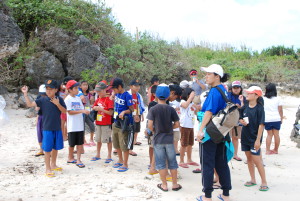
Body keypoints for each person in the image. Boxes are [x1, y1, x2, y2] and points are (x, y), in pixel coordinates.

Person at [196, 64, 231, 201]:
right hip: (222, 132)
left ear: (217, 76)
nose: (206, 76)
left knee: (207, 163)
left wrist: (200, 130)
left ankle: (207, 196)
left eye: (209, 74)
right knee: (221, 163)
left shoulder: (214, 91)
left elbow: (209, 112)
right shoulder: (223, 89)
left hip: (210, 131)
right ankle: (226, 194)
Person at [21, 79, 66, 177]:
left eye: (51, 89)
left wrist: (57, 104)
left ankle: (53, 164)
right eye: (47, 89)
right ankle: (48, 168)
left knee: (55, 147)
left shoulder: (59, 99)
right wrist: (25, 94)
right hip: (47, 128)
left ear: (56, 90)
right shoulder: (42, 100)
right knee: (47, 149)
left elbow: (64, 111)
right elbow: (30, 104)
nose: (48, 91)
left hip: (57, 127)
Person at [147, 84, 182, 192]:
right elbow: (177, 124)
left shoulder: (153, 109)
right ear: (168, 96)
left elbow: (149, 125)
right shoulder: (171, 109)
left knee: (161, 163)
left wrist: (155, 130)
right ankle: (175, 184)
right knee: (172, 162)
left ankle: (164, 185)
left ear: (156, 96)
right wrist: (170, 128)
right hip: (169, 139)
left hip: (158, 139)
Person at [239, 86, 269, 192]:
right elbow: (240, 115)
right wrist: (241, 121)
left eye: (250, 93)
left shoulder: (259, 108)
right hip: (245, 137)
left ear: (256, 95)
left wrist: (258, 140)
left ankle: (264, 181)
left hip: (254, 138)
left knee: (257, 160)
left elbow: (261, 125)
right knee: (249, 159)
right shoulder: (245, 106)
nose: (247, 94)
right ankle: (253, 179)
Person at [110, 78, 134, 172]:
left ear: (120, 87)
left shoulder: (127, 96)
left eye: (114, 88)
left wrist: (124, 111)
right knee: (116, 143)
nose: (113, 90)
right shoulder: (116, 94)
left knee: (124, 143)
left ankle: (125, 163)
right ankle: (120, 160)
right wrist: (113, 95)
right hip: (116, 121)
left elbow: (131, 109)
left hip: (125, 123)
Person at [65, 80, 90, 168]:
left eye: (77, 88)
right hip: (72, 125)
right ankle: (70, 157)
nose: (77, 90)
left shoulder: (77, 98)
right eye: (75, 88)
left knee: (80, 143)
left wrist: (85, 110)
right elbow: (70, 112)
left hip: (79, 124)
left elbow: (81, 108)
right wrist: (82, 111)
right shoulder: (68, 99)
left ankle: (78, 159)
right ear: (70, 90)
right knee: (71, 144)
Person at [91, 81, 114, 163]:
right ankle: (98, 154)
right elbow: (93, 107)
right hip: (98, 122)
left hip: (106, 123)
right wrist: (95, 108)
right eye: (97, 91)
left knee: (108, 139)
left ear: (105, 90)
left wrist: (101, 109)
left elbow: (111, 113)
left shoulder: (109, 100)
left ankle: (109, 155)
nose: (98, 93)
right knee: (98, 139)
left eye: (99, 91)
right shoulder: (98, 99)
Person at [178, 87, 199, 168]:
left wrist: (196, 106)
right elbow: (185, 105)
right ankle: (181, 160)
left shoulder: (191, 103)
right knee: (184, 144)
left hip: (191, 125)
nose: (193, 96)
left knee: (190, 143)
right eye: (191, 95)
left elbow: (196, 109)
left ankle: (189, 159)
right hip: (184, 125)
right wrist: (190, 97)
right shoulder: (182, 101)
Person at [227, 81, 245, 161]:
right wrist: (234, 106)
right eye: (234, 88)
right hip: (228, 119)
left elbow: (245, 108)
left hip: (238, 120)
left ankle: (235, 154)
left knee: (236, 137)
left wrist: (240, 105)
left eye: (237, 88)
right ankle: (227, 153)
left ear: (240, 88)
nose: (236, 89)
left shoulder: (243, 97)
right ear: (231, 88)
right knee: (226, 137)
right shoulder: (228, 95)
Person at [263, 83, 283, 155]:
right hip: (276, 118)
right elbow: (280, 110)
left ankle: (267, 150)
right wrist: (281, 118)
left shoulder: (263, 99)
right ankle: (276, 150)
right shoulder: (278, 99)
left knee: (269, 135)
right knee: (276, 135)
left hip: (267, 119)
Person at [128, 79, 145, 156]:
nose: (138, 87)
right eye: (136, 86)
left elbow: (140, 105)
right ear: (131, 86)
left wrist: (141, 114)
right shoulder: (127, 94)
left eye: (139, 86)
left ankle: (134, 142)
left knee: (136, 129)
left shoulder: (138, 95)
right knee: (129, 131)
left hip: (137, 114)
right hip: (129, 115)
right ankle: (129, 149)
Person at [147, 85, 159, 175]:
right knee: (151, 146)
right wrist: (148, 128)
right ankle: (151, 163)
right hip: (152, 128)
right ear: (154, 94)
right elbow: (149, 118)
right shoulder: (151, 104)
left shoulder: (165, 103)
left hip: (160, 128)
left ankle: (155, 163)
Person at [80, 81, 96, 146]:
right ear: (80, 86)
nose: (85, 86)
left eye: (86, 85)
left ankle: (91, 139)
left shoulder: (89, 94)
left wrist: (92, 99)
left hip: (88, 112)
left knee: (92, 125)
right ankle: (84, 140)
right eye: (83, 85)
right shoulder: (79, 94)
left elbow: (91, 103)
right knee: (82, 127)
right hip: (82, 113)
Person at [35, 84, 47, 157]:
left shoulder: (52, 98)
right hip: (40, 116)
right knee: (40, 133)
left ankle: (48, 150)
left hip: (47, 117)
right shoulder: (39, 98)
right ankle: (41, 150)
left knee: (47, 133)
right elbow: (37, 109)